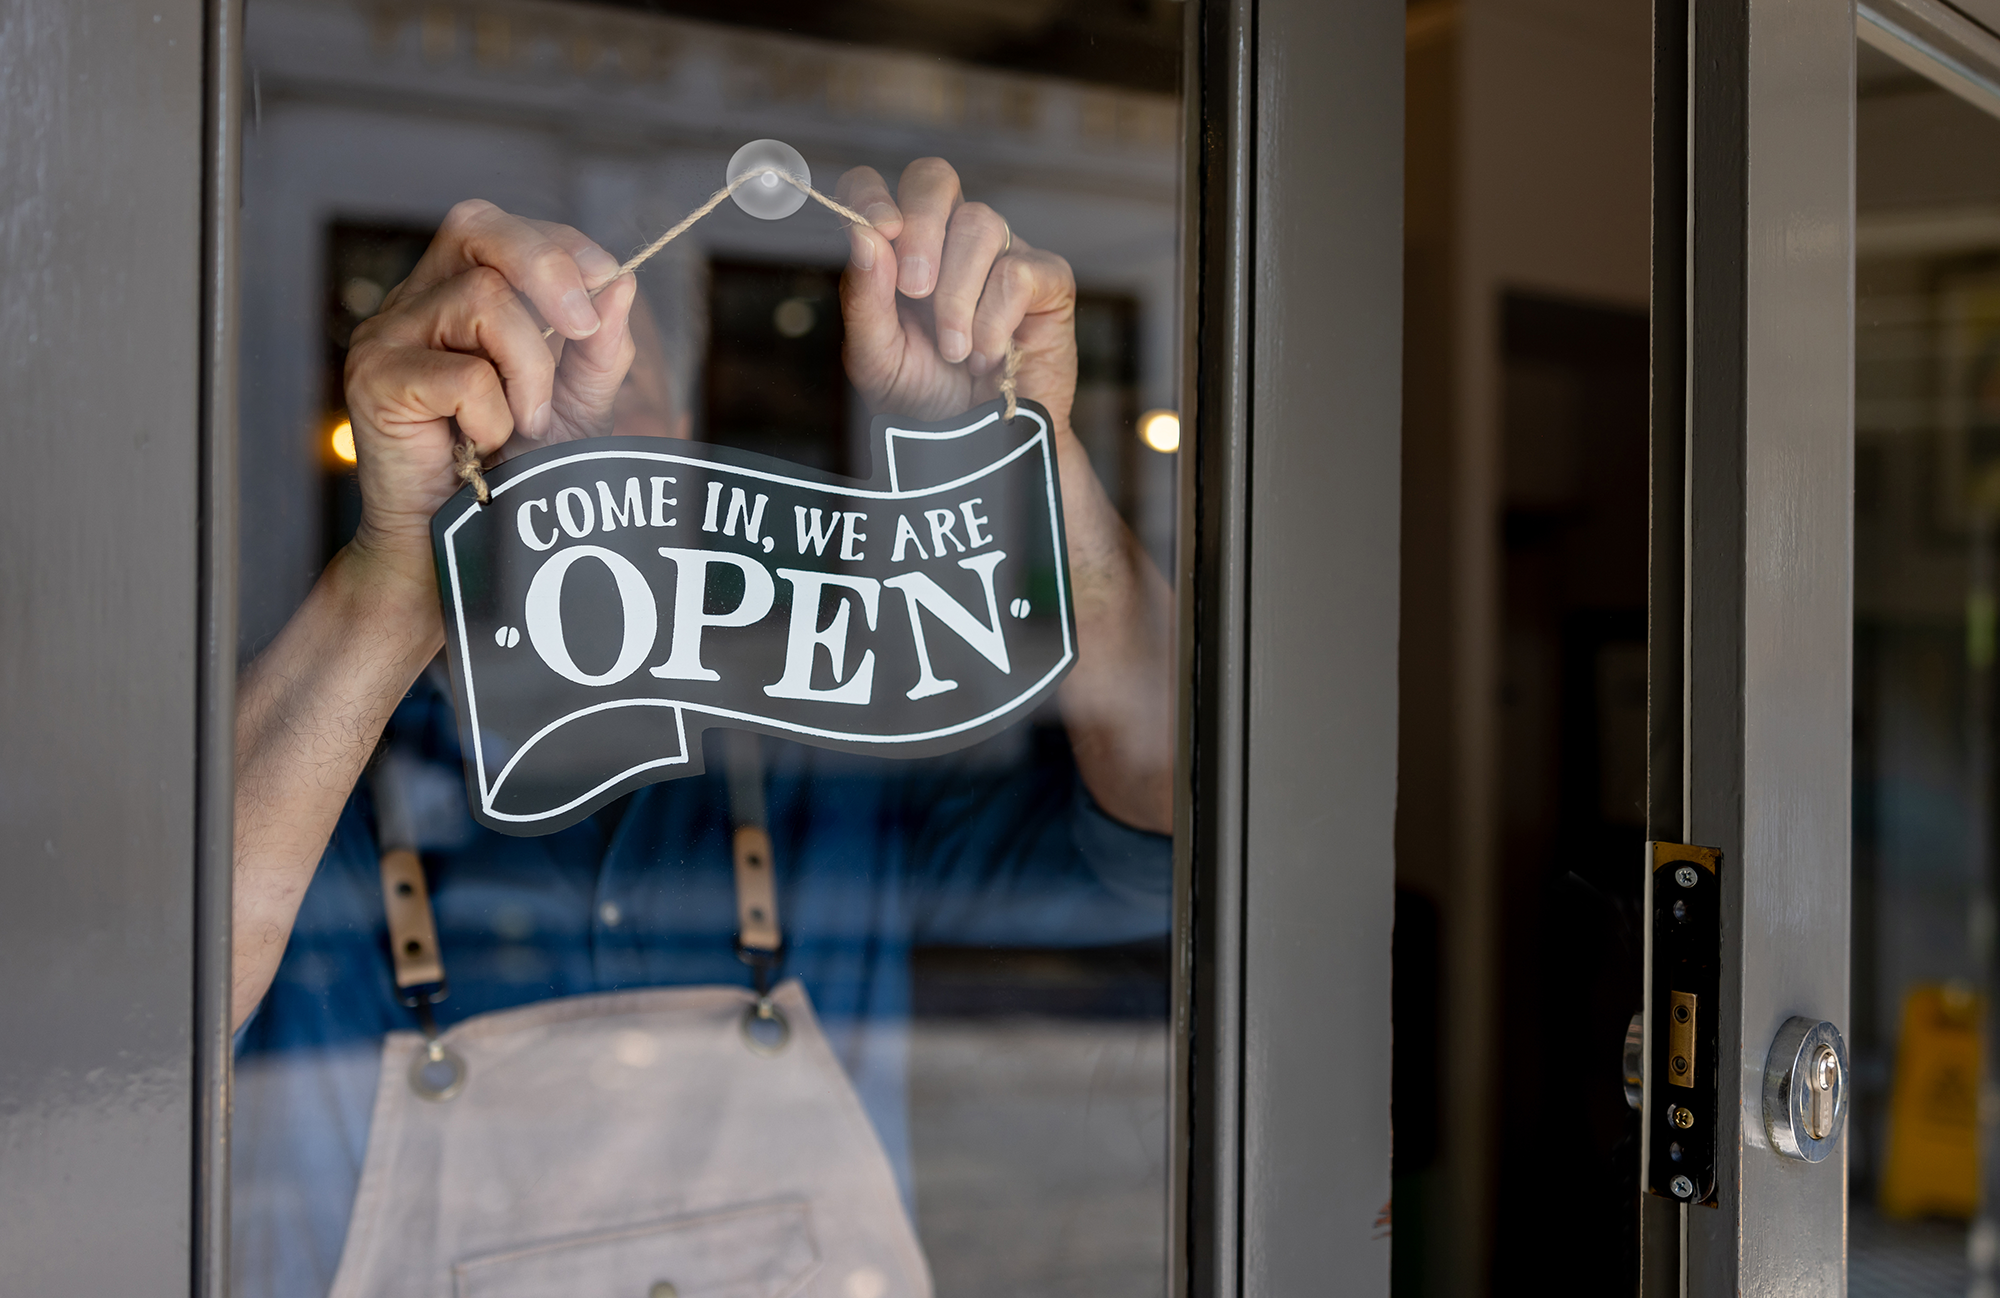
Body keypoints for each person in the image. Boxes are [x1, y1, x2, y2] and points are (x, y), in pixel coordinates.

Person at [229, 158, 1175, 1297]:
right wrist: (400, 574)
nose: (568, 415)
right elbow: (122, 1025)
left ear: (678, 437)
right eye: (524, 372)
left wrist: (1024, 459)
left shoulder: (822, 763)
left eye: (620, 389)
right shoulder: (309, 786)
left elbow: (1176, 822)